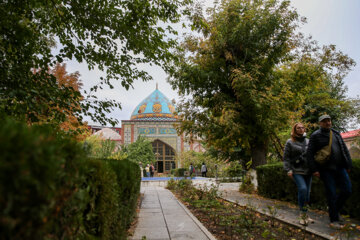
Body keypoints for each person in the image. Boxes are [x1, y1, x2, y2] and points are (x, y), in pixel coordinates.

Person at [307, 115, 352, 230]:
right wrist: (314, 170)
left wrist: (348, 164)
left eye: (329, 121)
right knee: (331, 193)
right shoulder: (315, 135)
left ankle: (334, 211)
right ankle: (334, 219)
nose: (327, 123)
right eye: (324, 121)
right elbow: (310, 154)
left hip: (341, 168)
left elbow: (344, 150)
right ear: (320, 123)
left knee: (347, 190)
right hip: (326, 170)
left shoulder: (336, 134)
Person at [283, 123, 313, 225]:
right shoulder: (290, 142)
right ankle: (302, 215)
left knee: (307, 194)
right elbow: (286, 158)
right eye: (298, 128)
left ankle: (306, 215)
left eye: (302, 127)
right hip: (296, 170)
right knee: (303, 189)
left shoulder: (308, 141)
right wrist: (288, 170)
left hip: (308, 171)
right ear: (295, 130)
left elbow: (312, 156)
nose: (301, 129)